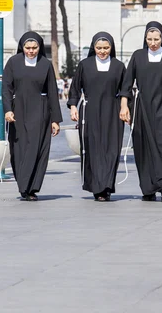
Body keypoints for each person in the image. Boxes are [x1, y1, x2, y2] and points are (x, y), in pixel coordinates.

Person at [119, 21, 162, 202]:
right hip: (141, 107)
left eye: (156, 39)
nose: (153, 43)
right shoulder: (137, 56)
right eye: (149, 39)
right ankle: (148, 187)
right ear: (145, 39)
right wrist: (124, 106)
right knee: (142, 147)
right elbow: (127, 84)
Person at [3, 31, 62, 201]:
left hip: (40, 111)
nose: (31, 51)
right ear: (22, 47)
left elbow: (52, 92)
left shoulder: (45, 64)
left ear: (39, 47)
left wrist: (55, 120)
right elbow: (6, 88)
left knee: (36, 148)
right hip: (18, 110)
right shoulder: (13, 62)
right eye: (27, 48)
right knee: (19, 149)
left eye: (34, 48)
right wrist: (7, 110)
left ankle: (31, 187)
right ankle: (23, 184)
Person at [68, 32, 125, 202]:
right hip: (90, 111)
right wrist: (73, 107)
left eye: (106, 48)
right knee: (93, 149)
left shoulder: (119, 66)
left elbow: (126, 90)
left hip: (112, 112)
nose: (102, 51)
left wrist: (125, 109)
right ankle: (97, 187)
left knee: (111, 149)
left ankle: (107, 186)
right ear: (93, 48)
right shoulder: (84, 65)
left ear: (111, 48)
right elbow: (75, 88)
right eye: (99, 48)